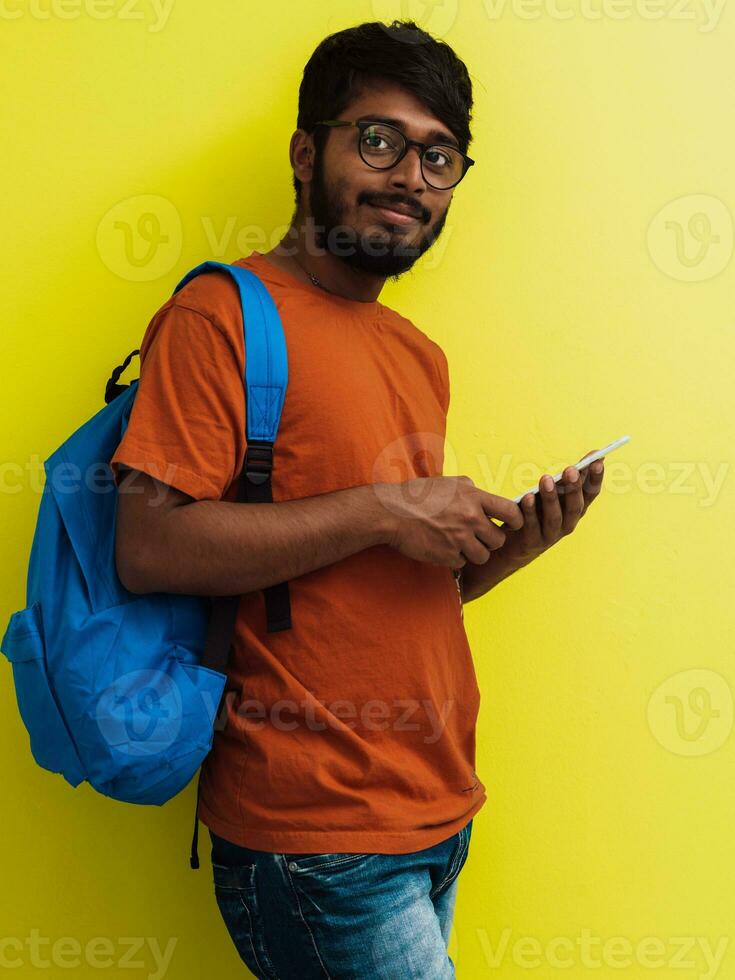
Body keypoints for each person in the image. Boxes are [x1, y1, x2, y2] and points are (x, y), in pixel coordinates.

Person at [111, 18, 604, 979]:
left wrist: (508, 547)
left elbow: (360, 601)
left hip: (437, 808)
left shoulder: (417, 354)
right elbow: (148, 546)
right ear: (307, 152)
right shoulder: (222, 314)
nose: (409, 177)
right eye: (378, 140)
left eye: (438, 156)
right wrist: (386, 508)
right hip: (317, 833)